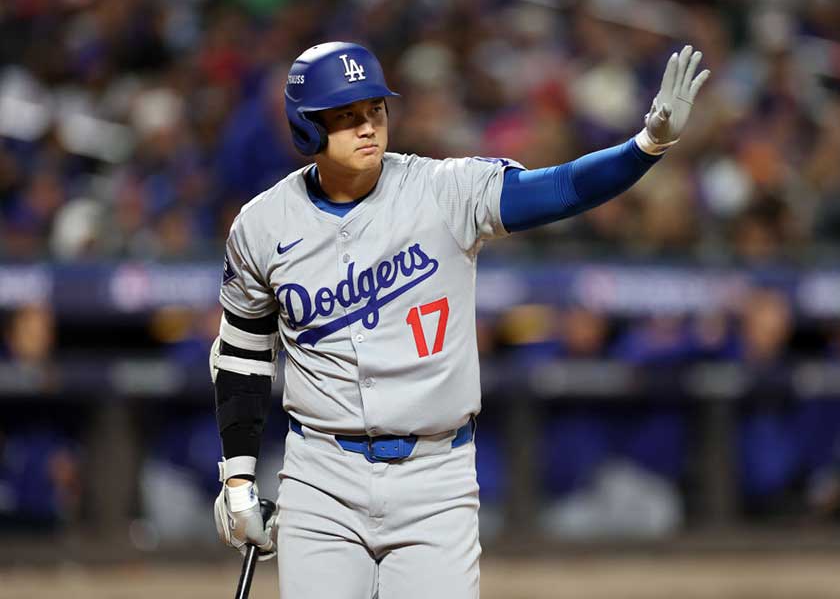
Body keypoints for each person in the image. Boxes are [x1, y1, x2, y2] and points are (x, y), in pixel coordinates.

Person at [210, 41, 709, 598]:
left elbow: (559, 189)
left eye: (375, 110)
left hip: (435, 478)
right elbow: (243, 353)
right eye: (346, 117)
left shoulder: (444, 191)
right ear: (306, 130)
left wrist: (646, 146)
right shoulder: (261, 225)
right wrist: (237, 476)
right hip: (319, 474)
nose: (367, 127)